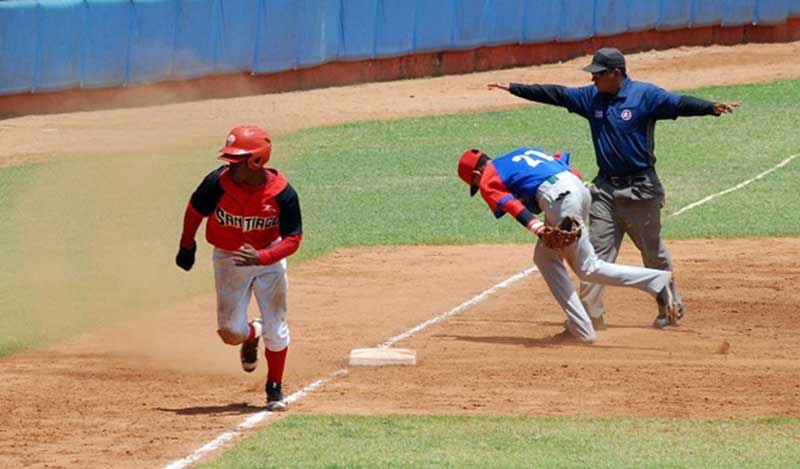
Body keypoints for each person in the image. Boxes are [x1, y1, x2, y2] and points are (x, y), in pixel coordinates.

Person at [488, 47, 740, 329]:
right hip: (604, 191)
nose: (593, 79)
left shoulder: (645, 95)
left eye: (598, 74)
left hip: (641, 189)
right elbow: (556, 94)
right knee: (594, 253)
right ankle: (591, 317)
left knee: (652, 252)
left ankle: (669, 304)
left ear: (616, 73)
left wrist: (709, 107)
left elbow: (678, 104)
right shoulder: (590, 97)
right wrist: (513, 88)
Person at [457, 146, 678, 343]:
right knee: (544, 257)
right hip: (577, 190)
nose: (479, 186)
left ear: (476, 174)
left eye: (474, 182)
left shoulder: (487, 178)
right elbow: (565, 167)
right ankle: (579, 326)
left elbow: (511, 205)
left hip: (559, 200)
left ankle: (655, 281)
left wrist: (538, 228)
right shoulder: (520, 154)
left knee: (588, 268)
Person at [175, 125, 302, 411]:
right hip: (229, 259)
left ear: (256, 161)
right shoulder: (216, 183)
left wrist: (263, 257)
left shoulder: (283, 194)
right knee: (230, 332)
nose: (230, 166)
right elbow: (195, 210)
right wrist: (187, 244)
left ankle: (274, 388)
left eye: (237, 160)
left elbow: (293, 239)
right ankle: (252, 333)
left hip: (268, 258)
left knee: (277, 328)